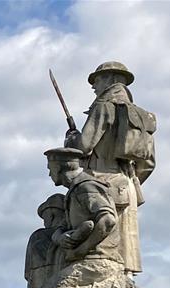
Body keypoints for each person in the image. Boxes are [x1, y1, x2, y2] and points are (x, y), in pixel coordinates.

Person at [64, 61, 154, 275]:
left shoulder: (103, 106)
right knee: (124, 249)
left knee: (100, 250)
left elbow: (84, 146)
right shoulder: (142, 117)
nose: (94, 86)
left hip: (98, 181)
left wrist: (72, 139)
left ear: (112, 79)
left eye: (97, 80)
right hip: (127, 183)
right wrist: (130, 180)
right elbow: (148, 164)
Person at [29, 147, 134, 288]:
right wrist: (59, 236)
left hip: (96, 261)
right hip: (81, 258)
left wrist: (81, 250)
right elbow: (66, 225)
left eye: (50, 169)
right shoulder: (75, 189)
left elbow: (107, 220)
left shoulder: (86, 187)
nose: (50, 174)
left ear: (59, 167)